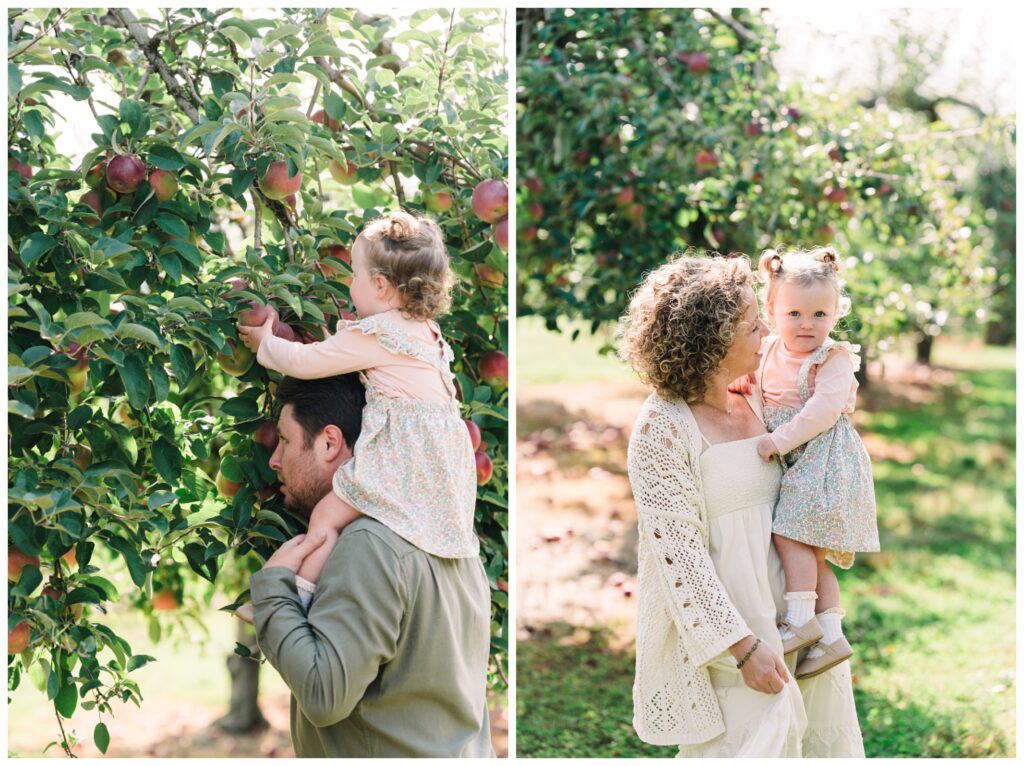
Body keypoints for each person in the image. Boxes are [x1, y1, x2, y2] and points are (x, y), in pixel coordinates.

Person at [620, 253, 864, 757]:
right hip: (734, 634)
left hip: (796, 623)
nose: (767, 335)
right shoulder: (662, 427)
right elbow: (679, 559)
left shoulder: (759, 400)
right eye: (754, 326)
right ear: (712, 339)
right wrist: (742, 647)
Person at [236, 210, 477, 621]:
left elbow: (307, 362)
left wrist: (266, 342)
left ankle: (293, 602)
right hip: (441, 462)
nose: (350, 284)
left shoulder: (378, 334)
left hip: (404, 459)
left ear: (381, 286)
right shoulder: (425, 331)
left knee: (327, 515)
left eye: (354, 275)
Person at [248, 373, 494, 757]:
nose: (274, 460)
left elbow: (323, 694)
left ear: (329, 442)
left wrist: (273, 589)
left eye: (283, 439)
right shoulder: (450, 527)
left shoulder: (369, 544)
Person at [740, 247, 879, 679]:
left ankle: (800, 622)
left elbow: (822, 411)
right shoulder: (768, 350)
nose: (806, 324)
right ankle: (833, 634)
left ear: (836, 313)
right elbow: (760, 388)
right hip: (798, 459)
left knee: (789, 534)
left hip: (823, 460)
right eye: (795, 313)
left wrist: (777, 441)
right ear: (772, 310)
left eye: (819, 314)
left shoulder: (833, 358)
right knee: (811, 557)